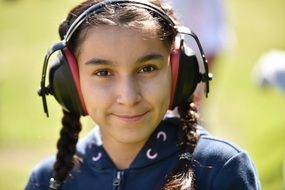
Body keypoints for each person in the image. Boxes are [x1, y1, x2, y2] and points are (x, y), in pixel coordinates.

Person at [25, 0, 261, 189]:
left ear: (179, 74)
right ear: (70, 84)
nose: (128, 97)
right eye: (103, 72)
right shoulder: (47, 180)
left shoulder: (222, 169)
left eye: (147, 69)